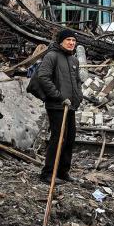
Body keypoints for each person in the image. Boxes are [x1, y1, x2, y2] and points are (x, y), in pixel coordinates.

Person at [36, 28, 83, 182]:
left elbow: (77, 81)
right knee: (58, 138)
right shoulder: (52, 56)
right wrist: (59, 96)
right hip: (56, 105)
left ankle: (63, 172)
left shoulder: (73, 60)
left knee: (69, 139)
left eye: (73, 40)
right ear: (61, 41)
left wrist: (78, 97)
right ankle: (48, 173)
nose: (71, 43)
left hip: (70, 106)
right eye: (68, 40)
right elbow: (43, 77)